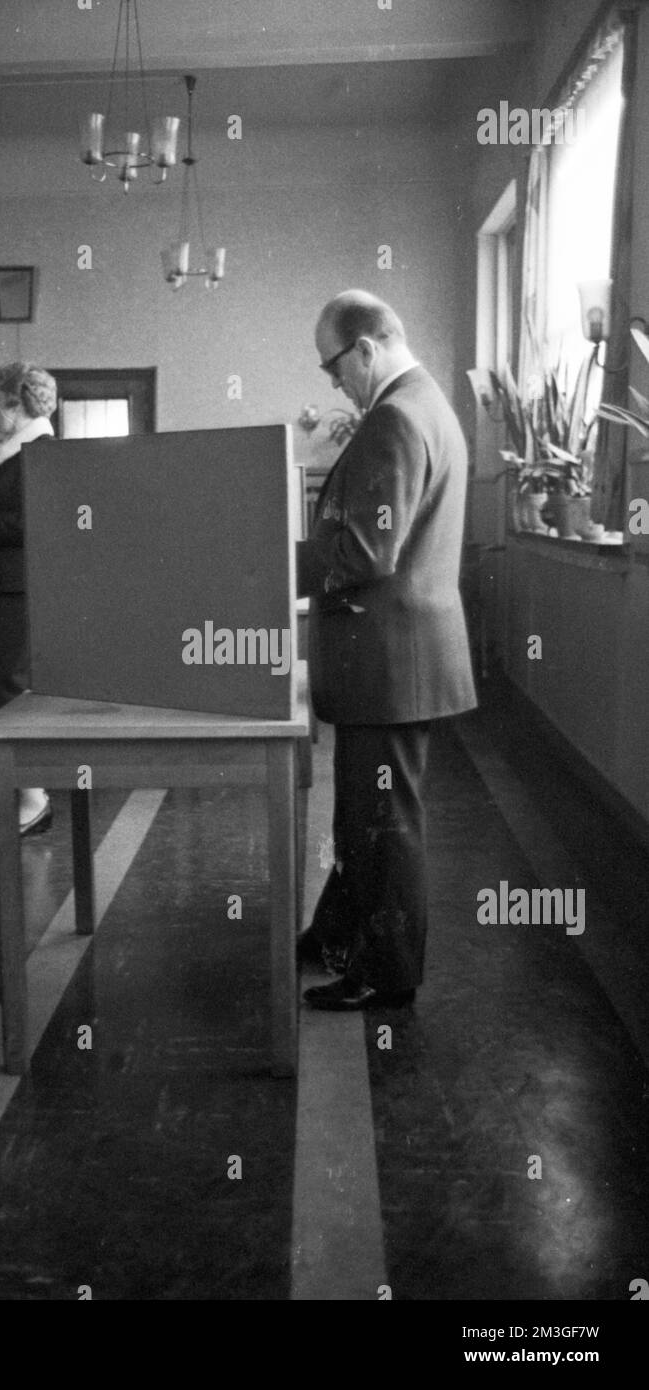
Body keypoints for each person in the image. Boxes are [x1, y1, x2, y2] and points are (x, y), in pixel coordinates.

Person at [296, 290, 477, 1009]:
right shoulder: (426, 405)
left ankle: (386, 973)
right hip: (398, 661)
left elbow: (368, 550)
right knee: (366, 816)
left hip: (388, 664)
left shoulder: (394, 418)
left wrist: (283, 569)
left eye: (332, 364)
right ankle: (334, 932)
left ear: (365, 347)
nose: (332, 380)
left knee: (382, 824)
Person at [0, 363, 57, 834]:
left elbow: (48, 522)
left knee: (7, 692)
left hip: (20, 586)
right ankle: (23, 795)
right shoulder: (11, 450)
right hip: (2, 585)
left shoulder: (40, 452)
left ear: (17, 404)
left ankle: (34, 800)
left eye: (0, 401)